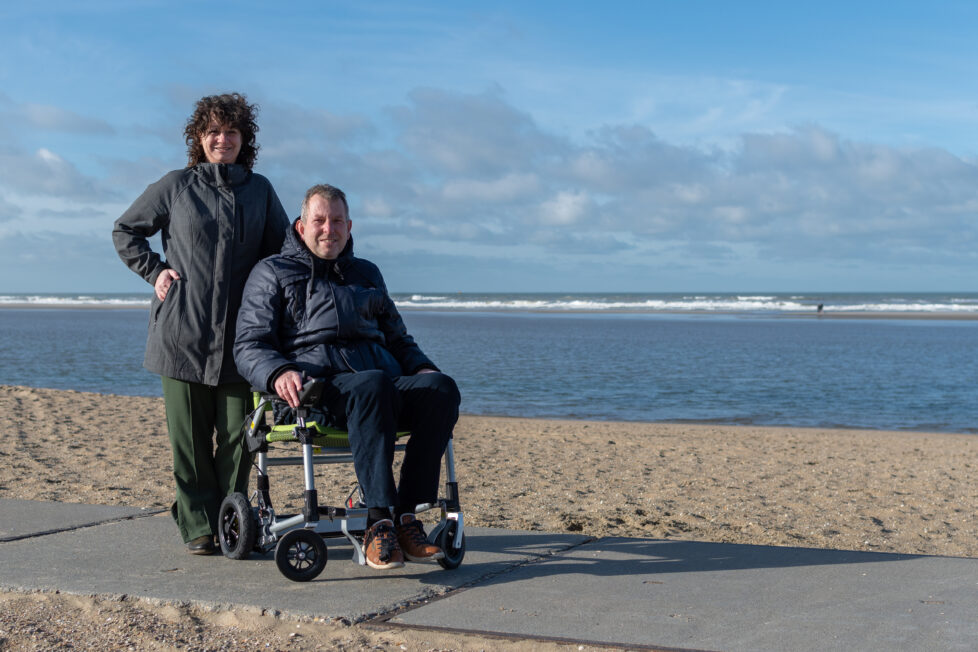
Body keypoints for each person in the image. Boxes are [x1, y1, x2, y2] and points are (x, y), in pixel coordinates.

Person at [234, 183, 461, 570]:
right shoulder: (272, 272)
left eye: (337, 221)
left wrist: (422, 367)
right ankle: (378, 522)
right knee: (373, 385)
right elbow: (249, 344)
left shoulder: (367, 273)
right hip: (315, 395)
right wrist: (278, 371)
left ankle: (406, 517)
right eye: (319, 220)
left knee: (441, 388)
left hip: (381, 388)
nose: (329, 229)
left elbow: (398, 339)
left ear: (349, 226)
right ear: (301, 226)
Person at [113, 93, 290, 555]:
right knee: (189, 443)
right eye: (213, 131)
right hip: (181, 335)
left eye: (231, 132)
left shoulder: (261, 190)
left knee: (239, 439)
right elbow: (125, 230)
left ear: (244, 140)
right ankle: (197, 528)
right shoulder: (176, 185)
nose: (222, 139)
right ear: (199, 138)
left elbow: (282, 254)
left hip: (242, 340)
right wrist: (155, 271)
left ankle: (230, 522)